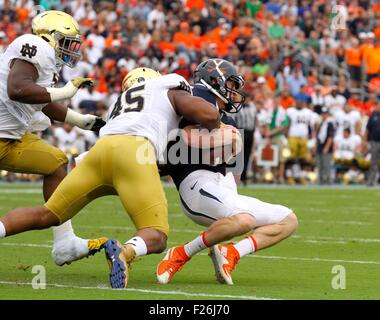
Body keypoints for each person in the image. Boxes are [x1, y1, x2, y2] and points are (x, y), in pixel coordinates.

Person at [0, 67, 221, 289]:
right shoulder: (168, 86)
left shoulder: (121, 102)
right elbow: (208, 114)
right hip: (134, 152)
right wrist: (216, 127)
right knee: (156, 234)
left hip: (99, 153)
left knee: (46, 214)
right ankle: (125, 251)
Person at [156, 59, 298, 285]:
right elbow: (186, 138)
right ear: (214, 81)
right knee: (243, 220)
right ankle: (181, 253)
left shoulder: (229, 120)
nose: (234, 92)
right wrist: (223, 138)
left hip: (223, 186)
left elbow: (235, 170)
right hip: (196, 186)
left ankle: (231, 253)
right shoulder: (195, 104)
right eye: (230, 84)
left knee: (288, 220)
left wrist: (230, 144)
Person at [0, 10, 107, 266]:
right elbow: (18, 90)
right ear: (50, 36)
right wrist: (66, 91)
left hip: (11, 138)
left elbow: (41, 99)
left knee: (56, 162)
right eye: (67, 41)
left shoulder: (45, 59)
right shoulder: (36, 45)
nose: (71, 48)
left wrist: (79, 120)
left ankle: (64, 242)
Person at [316, 107, 335, 185]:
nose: (324, 115)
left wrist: (327, 147)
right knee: (320, 165)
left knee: (326, 165)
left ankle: (328, 181)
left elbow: (330, 137)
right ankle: (321, 181)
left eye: (325, 114)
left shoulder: (330, 124)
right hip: (320, 146)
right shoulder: (321, 124)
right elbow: (318, 136)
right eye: (323, 114)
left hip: (326, 147)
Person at [364, 102, 380, 186]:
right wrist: (365, 141)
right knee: (373, 162)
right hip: (374, 142)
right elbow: (367, 129)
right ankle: (371, 181)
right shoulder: (373, 115)